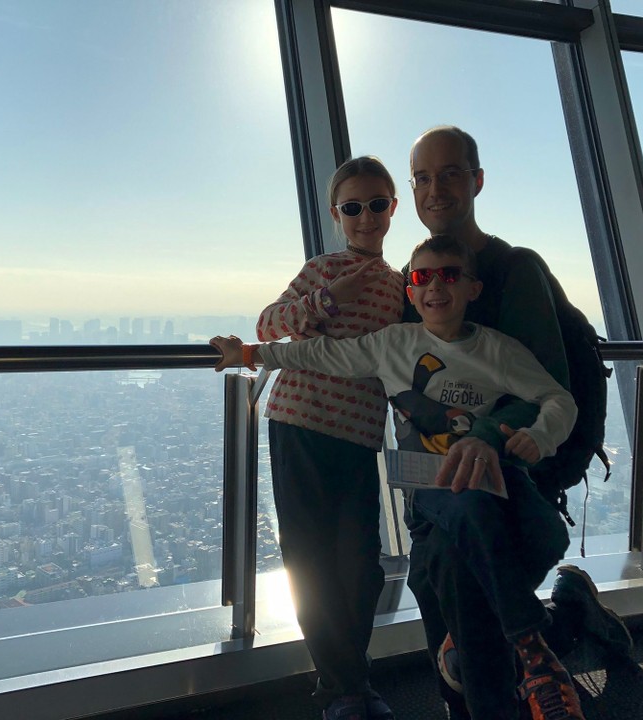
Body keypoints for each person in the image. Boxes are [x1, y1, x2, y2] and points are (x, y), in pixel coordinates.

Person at [212, 234, 586, 720]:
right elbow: (322, 355)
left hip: (495, 479)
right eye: (421, 277)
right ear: (409, 292)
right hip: (429, 485)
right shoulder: (395, 344)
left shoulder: (499, 351)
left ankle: (471, 634)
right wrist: (251, 356)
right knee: (467, 506)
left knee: (549, 534)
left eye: (449, 274)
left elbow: (560, 400)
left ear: (473, 288)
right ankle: (533, 650)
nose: (435, 286)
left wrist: (540, 437)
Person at [402, 126, 632, 720]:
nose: (435, 189)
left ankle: (508, 674)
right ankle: (561, 622)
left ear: (477, 180)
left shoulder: (514, 271)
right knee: (460, 609)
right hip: (436, 476)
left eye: (450, 172)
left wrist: (482, 436)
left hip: (509, 472)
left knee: (456, 596)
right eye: (422, 178)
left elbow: (544, 388)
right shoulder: (419, 278)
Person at [248, 155, 404, 720]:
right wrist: (324, 300)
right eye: (353, 207)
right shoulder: (321, 269)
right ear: (337, 214)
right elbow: (267, 324)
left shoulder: (402, 287)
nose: (367, 218)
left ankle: (347, 681)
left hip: (359, 435)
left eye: (377, 204)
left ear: (393, 207)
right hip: (298, 424)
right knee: (310, 559)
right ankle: (344, 687)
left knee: (360, 565)